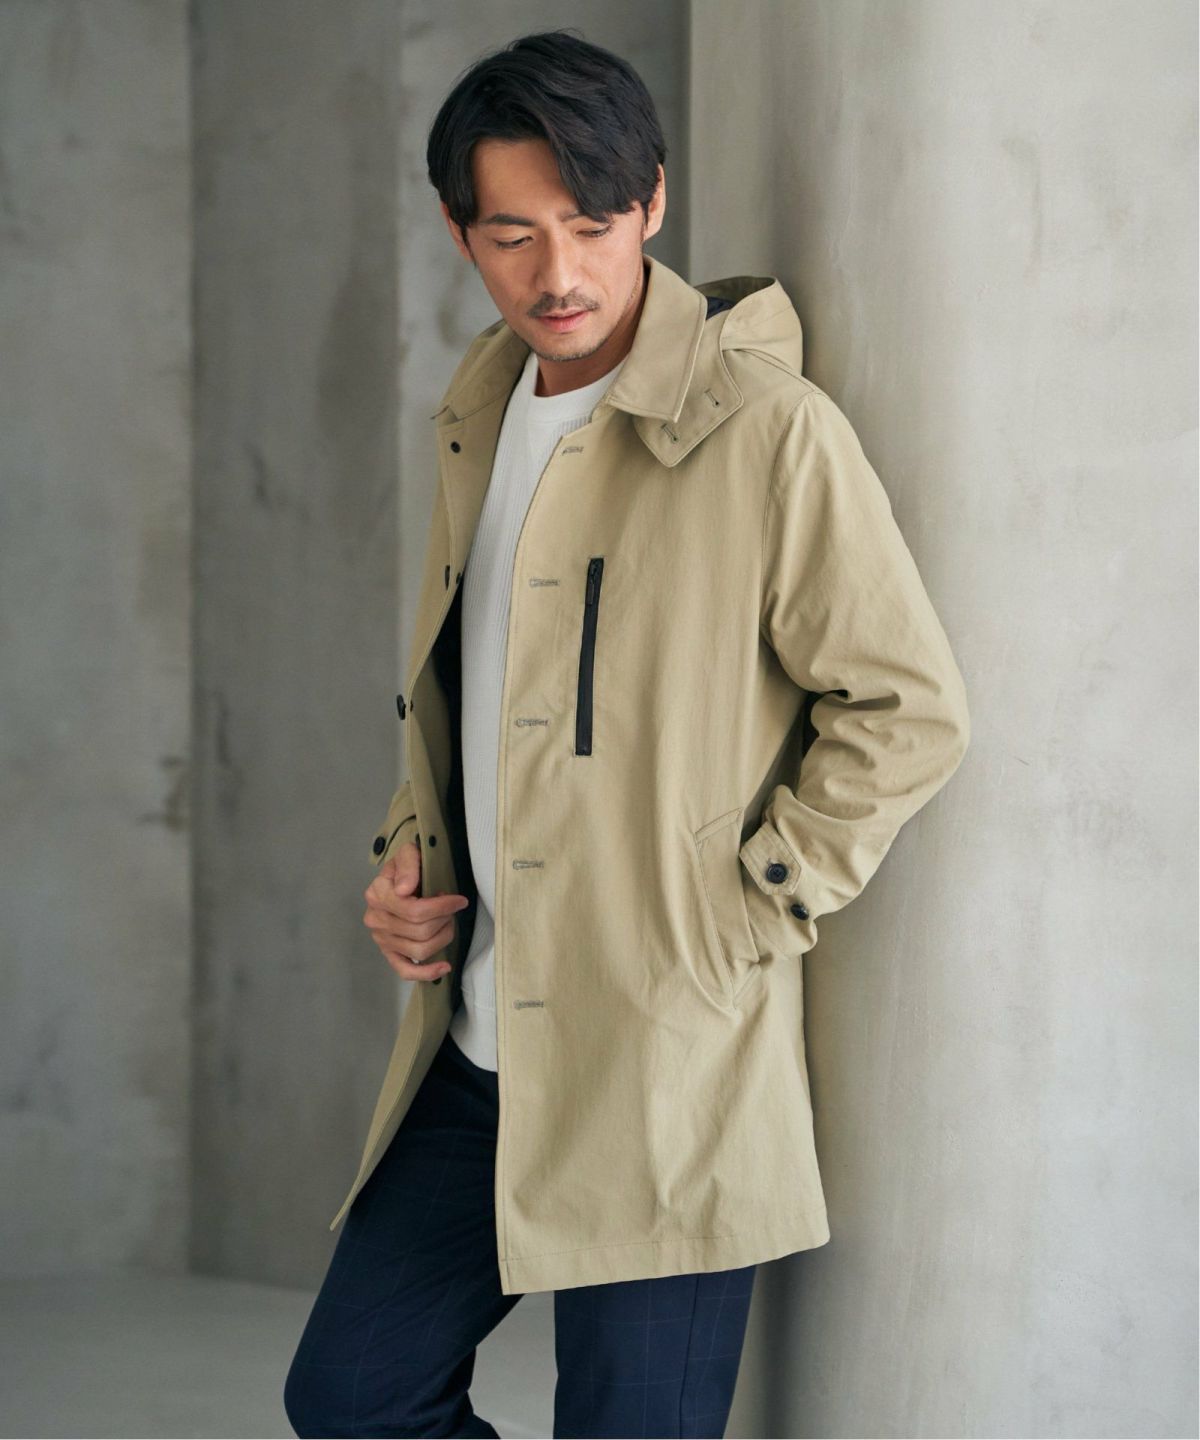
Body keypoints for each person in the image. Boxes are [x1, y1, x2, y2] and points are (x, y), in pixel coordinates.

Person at [285, 27, 970, 1440]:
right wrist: (411, 858)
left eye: (593, 224)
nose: (560, 273)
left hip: (666, 1058)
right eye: (513, 235)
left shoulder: (768, 432)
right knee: (352, 1395)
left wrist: (743, 905)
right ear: (459, 233)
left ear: (652, 202)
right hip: (483, 1046)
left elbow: (905, 704)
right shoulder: (480, 412)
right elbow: (474, 689)